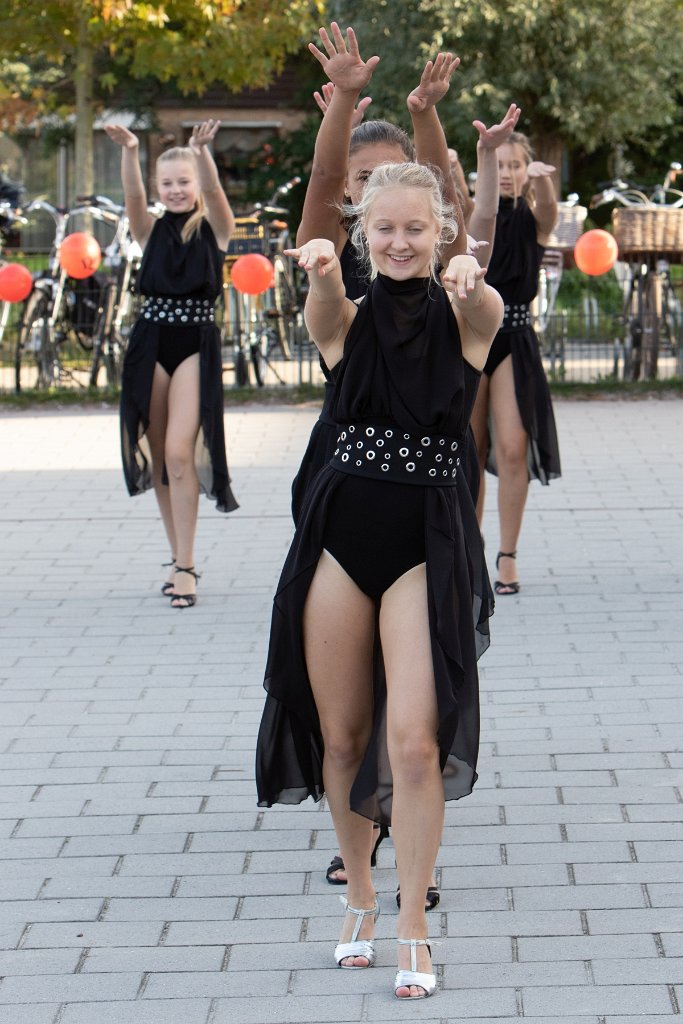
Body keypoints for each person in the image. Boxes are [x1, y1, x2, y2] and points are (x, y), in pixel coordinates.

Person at [256, 160, 503, 999]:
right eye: (384, 229)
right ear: (366, 235)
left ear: (438, 234)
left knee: (416, 745)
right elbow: (324, 307)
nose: (400, 242)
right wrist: (322, 267)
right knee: (343, 739)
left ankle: (412, 919)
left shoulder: (468, 314)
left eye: (416, 229)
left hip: (425, 540)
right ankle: (358, 895)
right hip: (341, 535)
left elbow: (483, 307)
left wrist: (469, 275)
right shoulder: (346, 317)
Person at [292, 23, 462, 903]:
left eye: (400, 193)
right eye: (366, 193)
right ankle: (364, 848)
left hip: (430, 491)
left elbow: (455, 204)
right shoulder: (339, 268)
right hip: (347, 473)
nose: (380, 210)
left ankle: (407, 852)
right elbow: (325, 187)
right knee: (343, 705)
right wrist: (348, 103)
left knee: (417, 702)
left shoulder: (445, 272)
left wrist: (424, 117)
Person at [105, 120, 238, 607]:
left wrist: (201, 153)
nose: (177, 190)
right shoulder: (149, 228)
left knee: (181, 451)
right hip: (150, 340)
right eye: (168, 183)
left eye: (184, 182)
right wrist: (132, 150)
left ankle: (186, 566)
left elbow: (215, 191)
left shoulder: (215, 228)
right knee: (161, 456)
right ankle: (177, 556)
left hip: (194, 341)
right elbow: (133, 196)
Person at [469, 129, 561, 595]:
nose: (506, 173)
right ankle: (470, 553)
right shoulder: (472, 212)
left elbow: (549, 212)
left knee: (511, 447)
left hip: (516, 338)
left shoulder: (531, 218)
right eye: (499, 165)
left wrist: (543, 183)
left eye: (515, 165)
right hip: (473, 336)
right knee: (471, 448)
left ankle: (507, 556)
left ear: (525, 170)